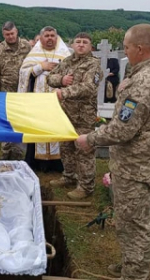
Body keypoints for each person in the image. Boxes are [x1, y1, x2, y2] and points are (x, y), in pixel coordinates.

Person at [76, 24, 150, 280]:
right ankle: (130, 264)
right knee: (132, 223)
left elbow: (122, 130)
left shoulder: (143, 81)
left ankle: (134, 275)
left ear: (140, 48)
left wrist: (90, 138)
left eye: (128, 47)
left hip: (136, 169)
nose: (126, 51)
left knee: (134, 229)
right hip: (149, 163)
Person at [47, 32, 103, 199]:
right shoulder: (67, 62)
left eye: (84, 42)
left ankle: (86, 186)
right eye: (77, 41)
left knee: (84, 150)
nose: (80, 44)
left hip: (83, 115)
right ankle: (69, 176)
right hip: (66, 114)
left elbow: (88, 88)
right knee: (66, 148)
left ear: (90, 46)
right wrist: (62, 80)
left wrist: (64, 93)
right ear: (72, 45)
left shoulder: (94, 65)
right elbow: (50, 78)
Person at [18, 26, 71, 171]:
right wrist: (41, 66)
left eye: (52, 35)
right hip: (38, 101)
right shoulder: (34, 54)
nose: (49, 38)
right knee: (38, 129)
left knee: (56, 129)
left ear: (57, 37)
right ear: (41, 38)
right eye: (46, 35)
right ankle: (35, 162)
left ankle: (57, 164)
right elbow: (24, 74)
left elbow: (72, 75)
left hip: (58, 100)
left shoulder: (64, 54)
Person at [0, 21, 32, 160]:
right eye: (7, 34)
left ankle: (18, 153)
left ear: (16, 31)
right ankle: (6, 152)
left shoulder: (27, 46)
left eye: (12, 33)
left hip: (23, 92)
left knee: (21, 122)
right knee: (5, 123)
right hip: (5, 93)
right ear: (3, 34)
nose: (10, 37)